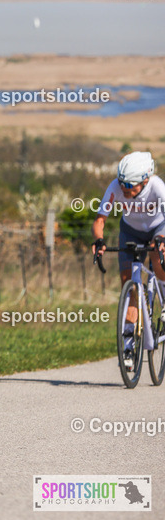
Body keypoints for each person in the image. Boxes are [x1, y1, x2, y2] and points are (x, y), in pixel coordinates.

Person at [91, 151, 165, 370]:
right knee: (128, 285)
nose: (124, 190)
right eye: (122, 184)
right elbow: (100, 220)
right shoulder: (115, 186)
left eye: (129, 186)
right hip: (130, 231)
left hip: (158, 229)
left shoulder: (157, 187)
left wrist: (162, 239)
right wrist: (100, 241)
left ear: (145, 180)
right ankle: (129, 346)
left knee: (159, 264)